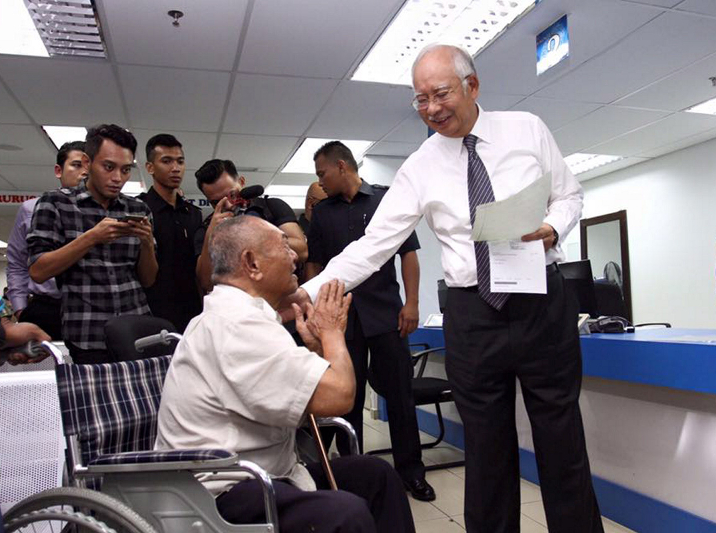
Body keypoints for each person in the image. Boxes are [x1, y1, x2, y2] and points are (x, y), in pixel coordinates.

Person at [286, 44, 603, 533]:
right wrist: (304, 293)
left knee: (562, 441)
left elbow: (569, 194)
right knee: (486, 450)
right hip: (473, 314)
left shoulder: (527, 129)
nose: (431, 108)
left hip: (542, 303)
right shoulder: (420, 166)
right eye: (419, 99)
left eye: (440, 94)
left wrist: (554, 229)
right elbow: (373, 247)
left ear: (472, 86)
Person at [155, 215, 415, 533]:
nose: (296, 255)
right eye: (283, 244)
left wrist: (319, 350)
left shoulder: (244, 318)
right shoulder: (236, 325)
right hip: (220, 493)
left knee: (375, 476)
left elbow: (294, 393)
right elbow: (340, 396)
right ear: (252, 263)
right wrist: (332, 333)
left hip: (267, 474)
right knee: (346, 514)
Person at [306, 141, 434, 501]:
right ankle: (354, 473)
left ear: (342, 166)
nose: (321, 182)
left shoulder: (385, 201)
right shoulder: (324, 213)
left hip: (386, 313)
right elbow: (315, 264)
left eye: (322, 174)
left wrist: (411, 303)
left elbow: (408, 256)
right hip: (341, 319)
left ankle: (412, 472)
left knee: (400, 395)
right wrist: (316, 313)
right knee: (349, 395)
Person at [27, 124, 157, 363]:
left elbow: (148, 280)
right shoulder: (55, 204)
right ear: (87, 163)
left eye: (126, 169)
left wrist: (147, 244)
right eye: (109, 167)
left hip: (137, 330)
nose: (118, 178)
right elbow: (38, 270)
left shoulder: (138, 209)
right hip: (88, 335)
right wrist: (91, 237)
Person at [6, 140, 88, 339]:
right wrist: (20, 310)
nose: (84, 173)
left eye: (90, 167)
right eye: (76, 165)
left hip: (89, 307)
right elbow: (17, 263)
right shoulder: (31, 209)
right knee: (44, 367)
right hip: (46, 308)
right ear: (59, 170)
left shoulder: (103, 213)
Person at [193, 159, 308, 293]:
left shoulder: (272, 207)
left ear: (241, 182)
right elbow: (206, 282)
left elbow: (302, 251)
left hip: (283, 300)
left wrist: (257, 234)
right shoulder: (207, 228)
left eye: (232, 195)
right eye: (217, 202)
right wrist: (210, 235)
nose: (229, 205)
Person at [139, 134, 203, 332]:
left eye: (180, 161)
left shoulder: (193, 214)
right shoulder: (139, 210)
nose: (175, 168)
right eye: (166, 161)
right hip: (151, 313)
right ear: (150, 167)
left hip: (192, 313)